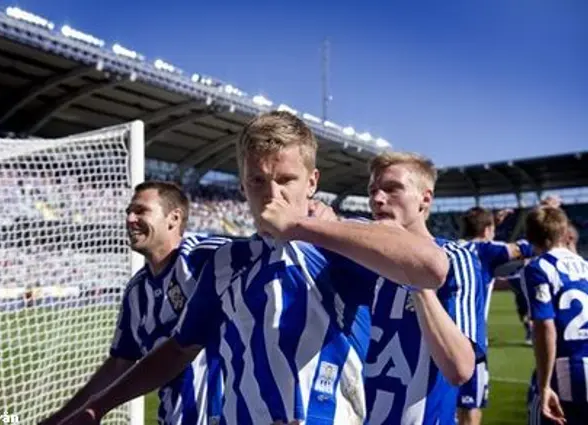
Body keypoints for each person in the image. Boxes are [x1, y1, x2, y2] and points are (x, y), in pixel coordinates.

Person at [57, 111, 455, 425]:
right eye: (258, 181)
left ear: (312, 182)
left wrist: (299, 227)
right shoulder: (225, 263)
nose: (272, 194)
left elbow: (431, 267)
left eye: (286, 179)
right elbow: (180, 348)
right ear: (243, 186)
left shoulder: (341, 246)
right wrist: (99, 405)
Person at [259, 151, 485, 425]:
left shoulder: (455, 259)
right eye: (373, 191)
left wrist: (413, 275)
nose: (378, 199)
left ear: (425, 199)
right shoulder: (361, 261)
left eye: (392, 189)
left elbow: (459, 369)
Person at [37, 181, 228, 425]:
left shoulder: (208, 258)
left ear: (173, 219)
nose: (129, 218)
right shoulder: (137, 292)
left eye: (141, 211)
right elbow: (119, 363)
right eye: (128, 211)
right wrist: (61, 418)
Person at [455, 206, 534, 425]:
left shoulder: (451, 247)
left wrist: (492, 224)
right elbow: (528, 247)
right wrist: (544, 211)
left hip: (441, 338)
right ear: (488, 229)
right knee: (471, 407)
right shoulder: (488, 250)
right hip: (471, 342)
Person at [522, 207, 588, 425]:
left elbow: (544, 327)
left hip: (567, 370)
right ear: (565, 232)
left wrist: (544, 384)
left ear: (530, 236)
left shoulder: (538, 268)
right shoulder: (586, 266)